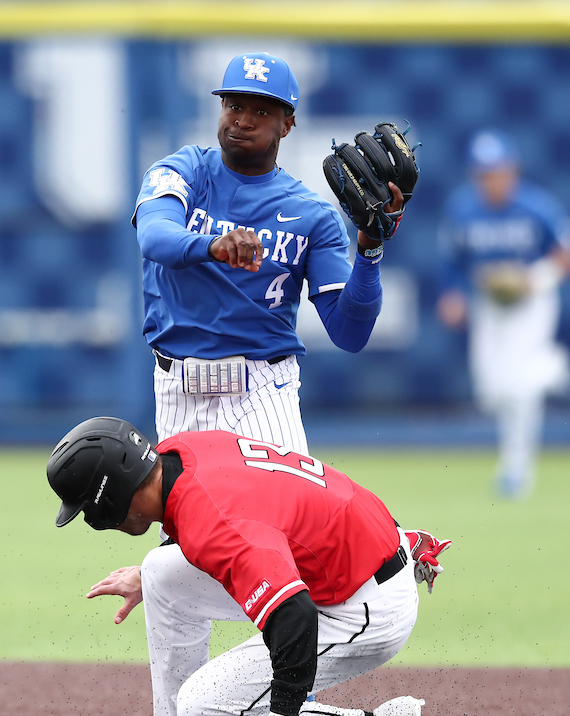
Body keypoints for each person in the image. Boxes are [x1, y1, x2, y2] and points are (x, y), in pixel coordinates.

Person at [46, 417, 450, 716]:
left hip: (366, 605)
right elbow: (227, 520)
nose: (90, 520)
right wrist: (145, 579)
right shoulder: (181, 451)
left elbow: (295, 614)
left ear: (110, 499)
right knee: (159, 571)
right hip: (353, 556)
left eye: (87, 510)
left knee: (200, 708)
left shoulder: (216, 524)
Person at [133, 51, 405, 451]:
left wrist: (369, 249)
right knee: (187, 514)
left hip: (263, 390)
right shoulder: (182, 171)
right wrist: (213, 245)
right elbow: (155, 237)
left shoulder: (313, 216)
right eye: (234, 105)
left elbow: (349, 333)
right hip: (177, 390)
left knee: (284, 512)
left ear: (288, 124)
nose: (243, 120)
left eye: (262, 111)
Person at [436, 129, 570, 499]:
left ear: (512, 170)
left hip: (531, 302)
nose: (493, 180)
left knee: (518, 389)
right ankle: (553, 368)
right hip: (490, 304)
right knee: (491, 392)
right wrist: (452, 294)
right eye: (485, 173)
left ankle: (516, 469)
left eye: (498, 171)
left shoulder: (535, 205)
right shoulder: (463, 208)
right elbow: (451, 260)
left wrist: (535, 278)